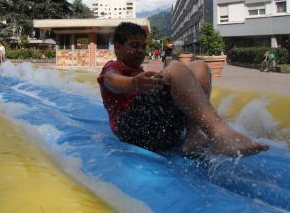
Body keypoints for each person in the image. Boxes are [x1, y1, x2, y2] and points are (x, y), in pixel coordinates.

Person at [97, 22, 268, 157]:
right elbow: (110, 80)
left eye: (143, 46)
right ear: (117, 47)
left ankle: (193, 136)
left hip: (155, 129)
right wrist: (134, 83)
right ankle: (219, 131)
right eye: (134, 45)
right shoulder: (114, 66)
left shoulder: (139, 73)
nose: (140, 51)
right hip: (130, 130)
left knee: (200, 66)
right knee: (175, 68)